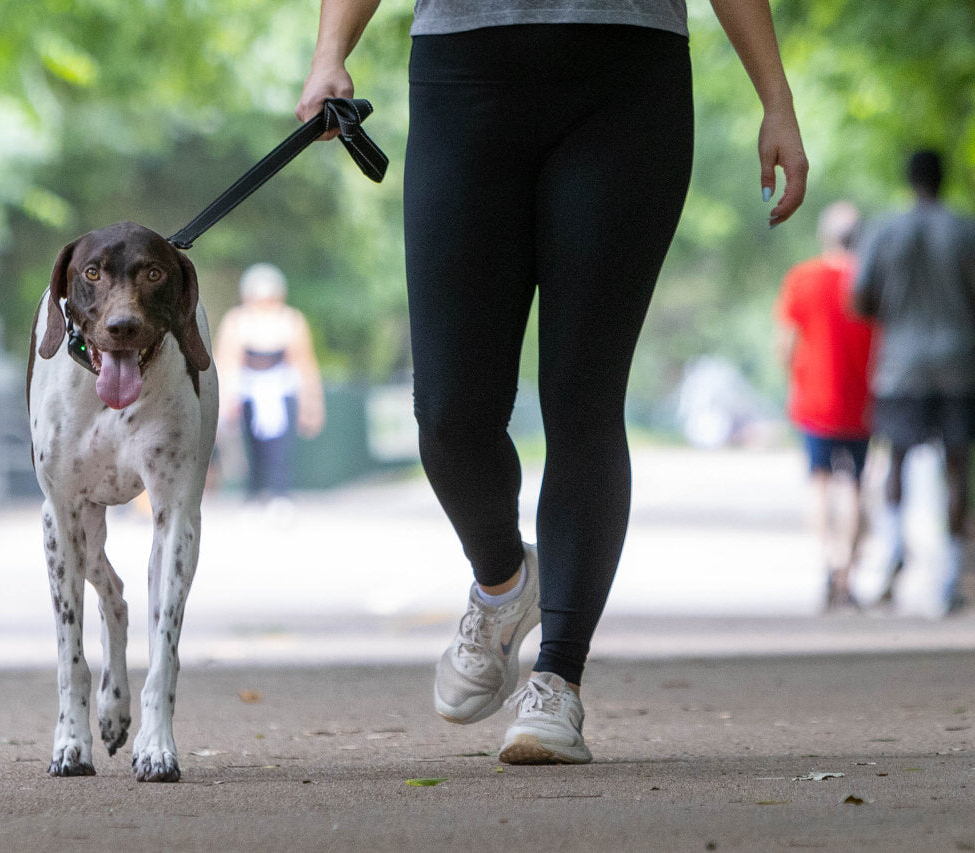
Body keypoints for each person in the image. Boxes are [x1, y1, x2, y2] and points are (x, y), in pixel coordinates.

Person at [298, 0, 808, 764]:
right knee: (447, 414)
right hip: (463, 72)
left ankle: (557, 680)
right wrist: (330, 49)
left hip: (628, 78)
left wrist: (777, 99)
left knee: (583, 398)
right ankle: (504, 583)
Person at [852, 150, 975, 615]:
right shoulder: (965, 229)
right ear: (943, 179)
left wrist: (896, 310)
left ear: (908, 179)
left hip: (900, 362)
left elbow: (860, 298)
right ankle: (950, 573)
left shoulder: (885, 230)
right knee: (957, 465)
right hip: (958, 359)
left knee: (897, 459)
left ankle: (896, 551)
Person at [774, 201, 875, 611]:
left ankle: (827, 562)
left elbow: (784, 344)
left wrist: (792, 382)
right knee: (853, 483)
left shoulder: (802, 278)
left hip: (814, 399)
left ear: (824, 236)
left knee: (819, 481)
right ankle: (847, 574)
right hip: (863, 399)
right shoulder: (870, 281)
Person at [214, 263, 326, 510]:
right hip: (247, 390)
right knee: (250, 444)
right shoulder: (237, 320)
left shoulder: (291, 319)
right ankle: (253, 493)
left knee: (281, 446)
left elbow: (304, 363)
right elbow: (227, 362)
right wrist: (226, 401)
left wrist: (312, 404)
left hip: (281, 388)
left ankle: (280, 494)